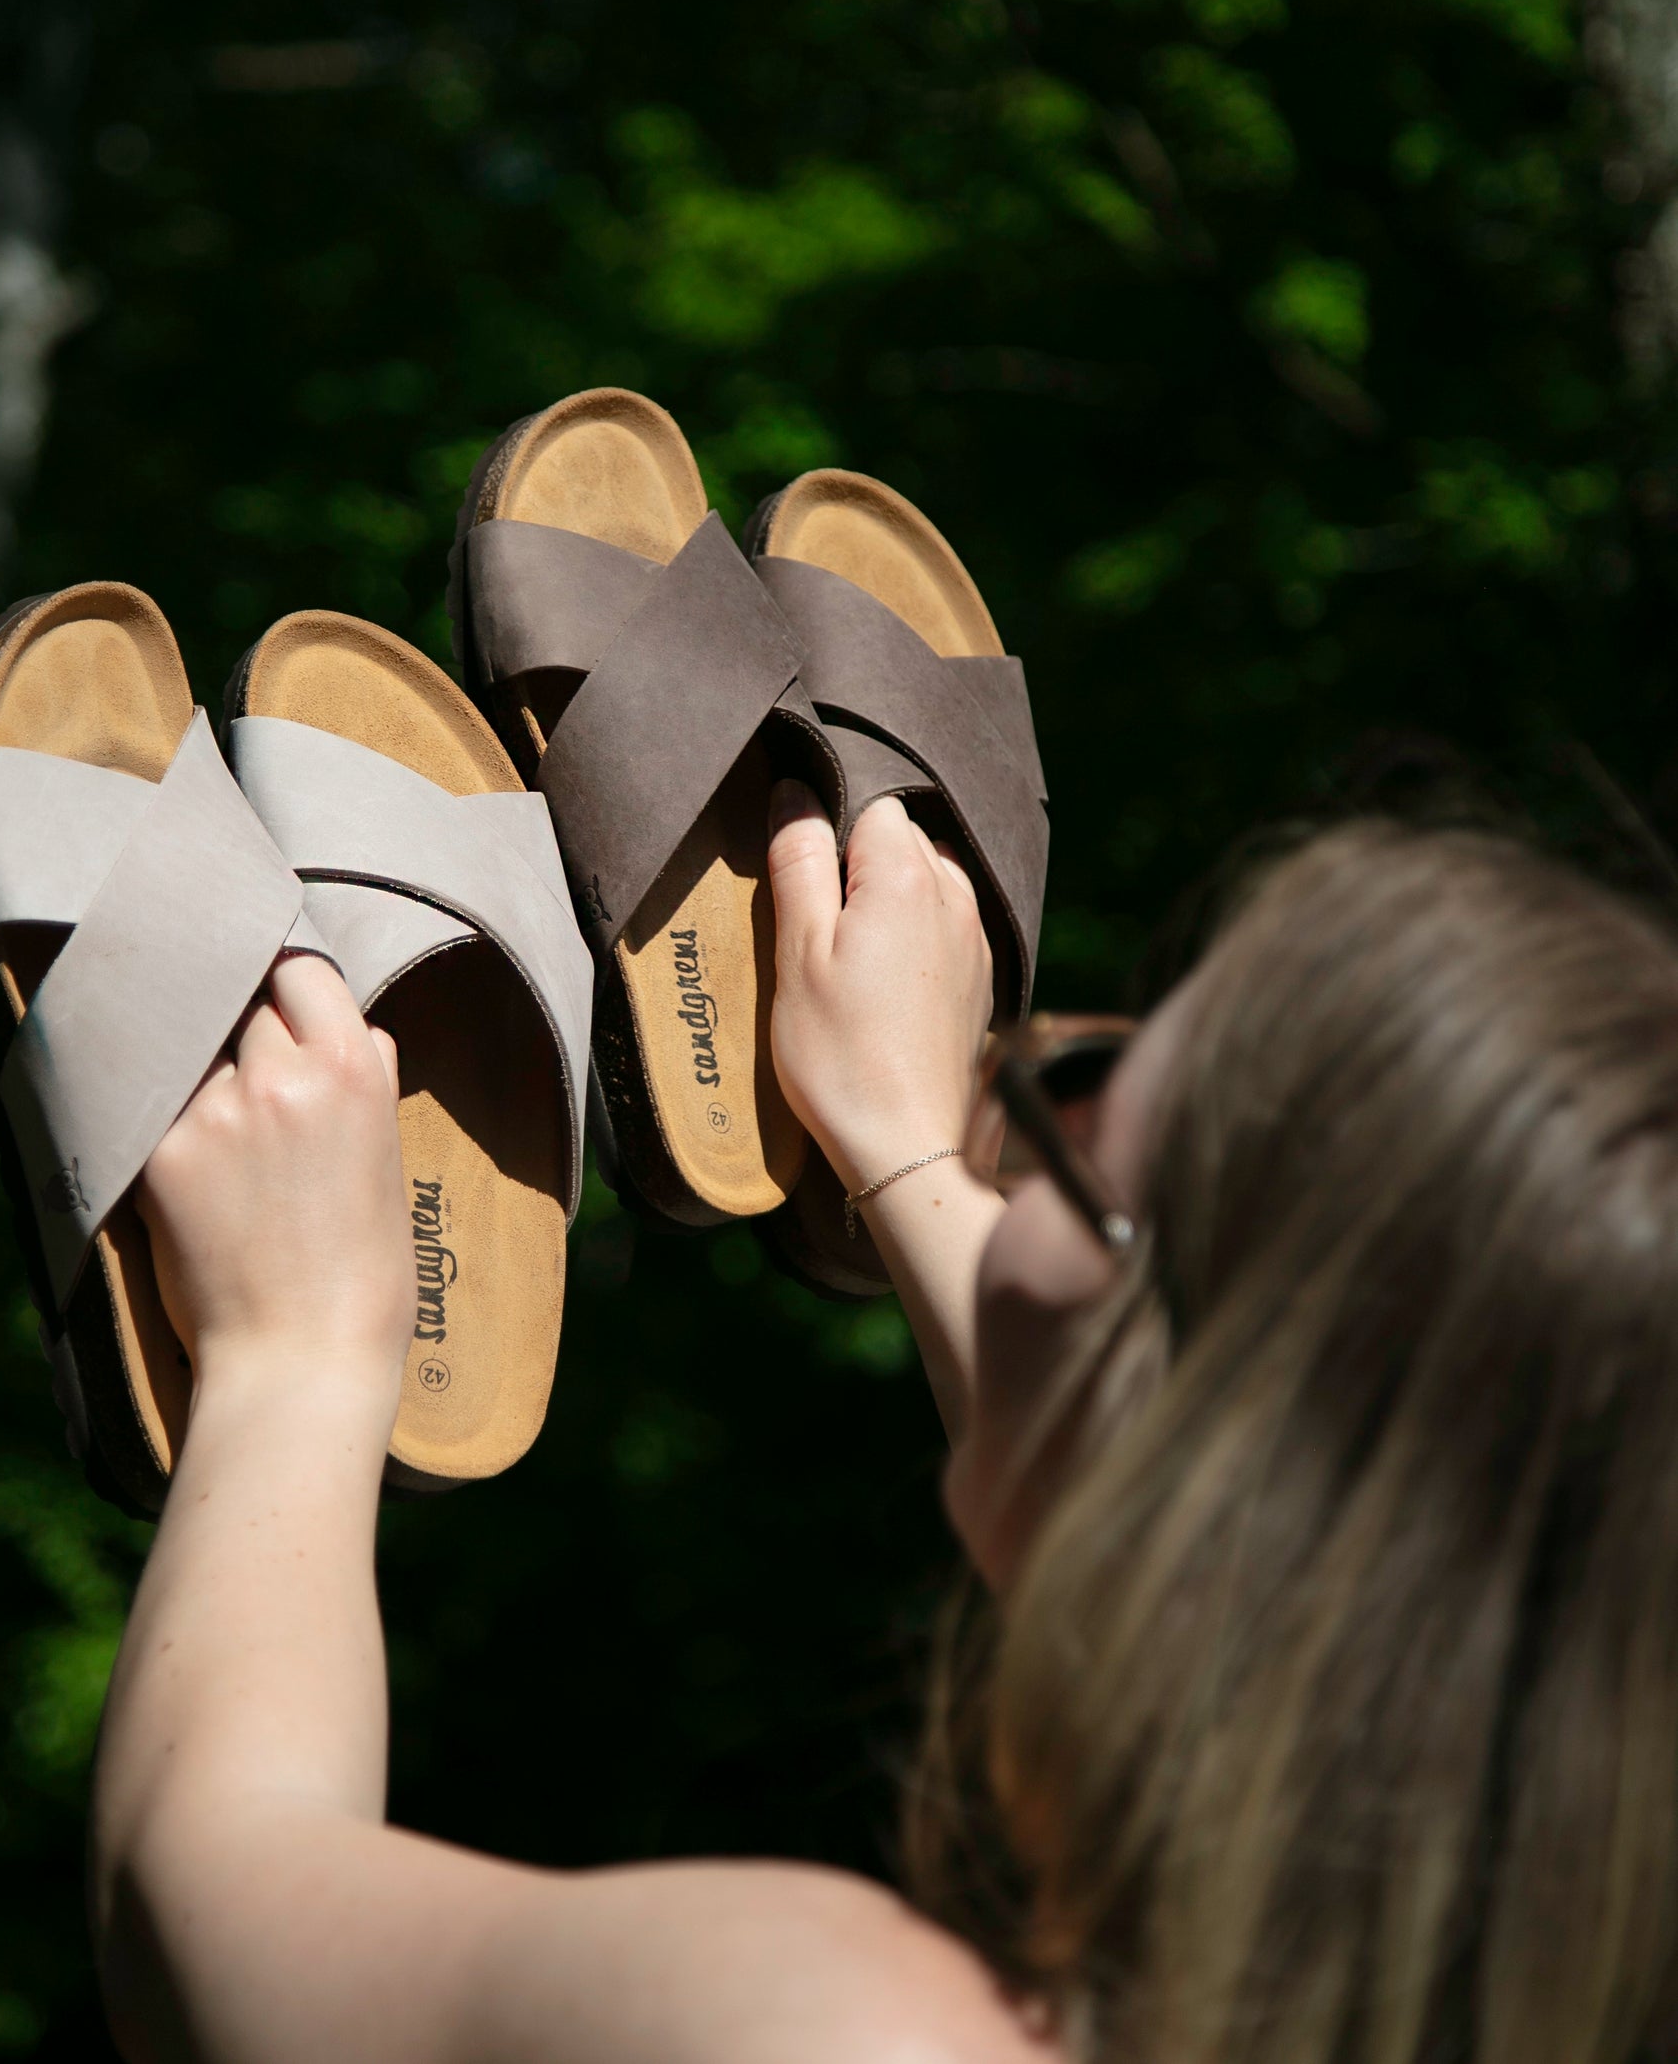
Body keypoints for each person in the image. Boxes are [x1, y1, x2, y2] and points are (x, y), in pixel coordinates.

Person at [92, 782, 1678, 2064]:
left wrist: (294, 1351)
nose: (1027, 1089)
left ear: (1204, 1456)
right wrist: (904, 1141)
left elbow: (198, 1899)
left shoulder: (822, 2028)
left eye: (1073, 1115)